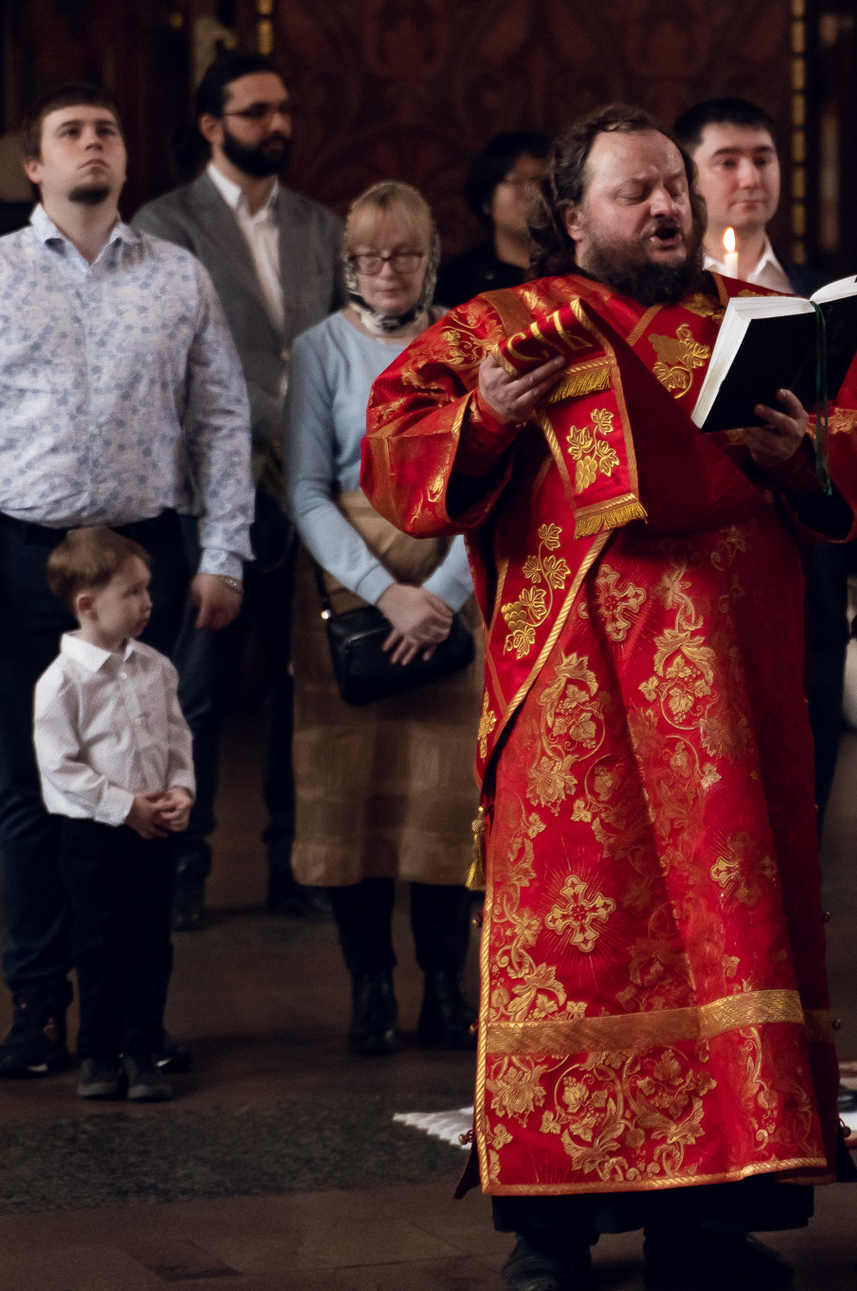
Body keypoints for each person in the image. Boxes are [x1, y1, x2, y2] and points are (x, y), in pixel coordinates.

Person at [361, 103, 857, 1291]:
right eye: (633, 193)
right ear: (570, 217)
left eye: (673, 189)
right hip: (578, 706)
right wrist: (492, 414)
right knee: (582, 950)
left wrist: (801, 451)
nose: (664, 209)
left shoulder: (756, 324)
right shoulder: (506, 327)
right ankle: (551, 1229)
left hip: (735, 709)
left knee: (728, 948)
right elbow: (398, 459)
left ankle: (705, 1222)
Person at [0, 83, 252, 1082]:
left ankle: (129, 1014)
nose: (92, 143)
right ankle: (38, 1007)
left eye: (106, 128)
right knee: (32, 789)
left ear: (123, 158)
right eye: (71, 133)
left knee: (147, 782)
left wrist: (225, 551)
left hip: (145, 550)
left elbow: (222, 420)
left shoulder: (177, 278)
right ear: (36, 166)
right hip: (20, 559)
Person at [134, 51, 346, 926]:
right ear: (213, 125)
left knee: (301, 678)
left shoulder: (318, 223)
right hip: (207, 485)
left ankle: (295, 862)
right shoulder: (164, 221)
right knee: (201, 683)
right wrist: (278, 416)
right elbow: (180, 356)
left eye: (285, 109)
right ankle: (185, 862)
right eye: (258, 112)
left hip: (312, 483)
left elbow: (338, 337)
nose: (279, 126)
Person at [679, 96, 857, 810]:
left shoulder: (820, 295)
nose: (750, 175)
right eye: (726, 161)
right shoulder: (663, 302)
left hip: (809, 580)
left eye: (763, 157)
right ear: (687, 178)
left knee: (802, 799)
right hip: (698, 588)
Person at [286, 180, 482, 1056]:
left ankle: (446, 983)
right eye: (368, 255)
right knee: (350, 800)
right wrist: (384, 591)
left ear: (430, 255)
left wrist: (441, 592)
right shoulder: (320, 348)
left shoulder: (468, 339)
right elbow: (302, 488)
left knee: (448, 801)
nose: (386, 269)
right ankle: (370, 985)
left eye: (403, 252)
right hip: (347, 593)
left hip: (452, 576)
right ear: (347, 264)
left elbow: (491, 477)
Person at [33, 527, 196, 1103]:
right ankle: (98, 1055)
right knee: (100, 944)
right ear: (87, 605)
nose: (147, 602)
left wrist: (180, 790)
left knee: (152, 942)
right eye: (131, 592)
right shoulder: (61, 682)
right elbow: (59, 766)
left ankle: (141, 1049)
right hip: (94, 836)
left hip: (156, 831)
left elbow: (177, 737)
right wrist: (124, 808)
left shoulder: (155, 667)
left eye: (148, 589)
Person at [436, 130, 551, 310]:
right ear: (486, 201)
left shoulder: (578, 268)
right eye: (515, 181)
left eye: (539, 180)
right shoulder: (455, 282)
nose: (532, 191)